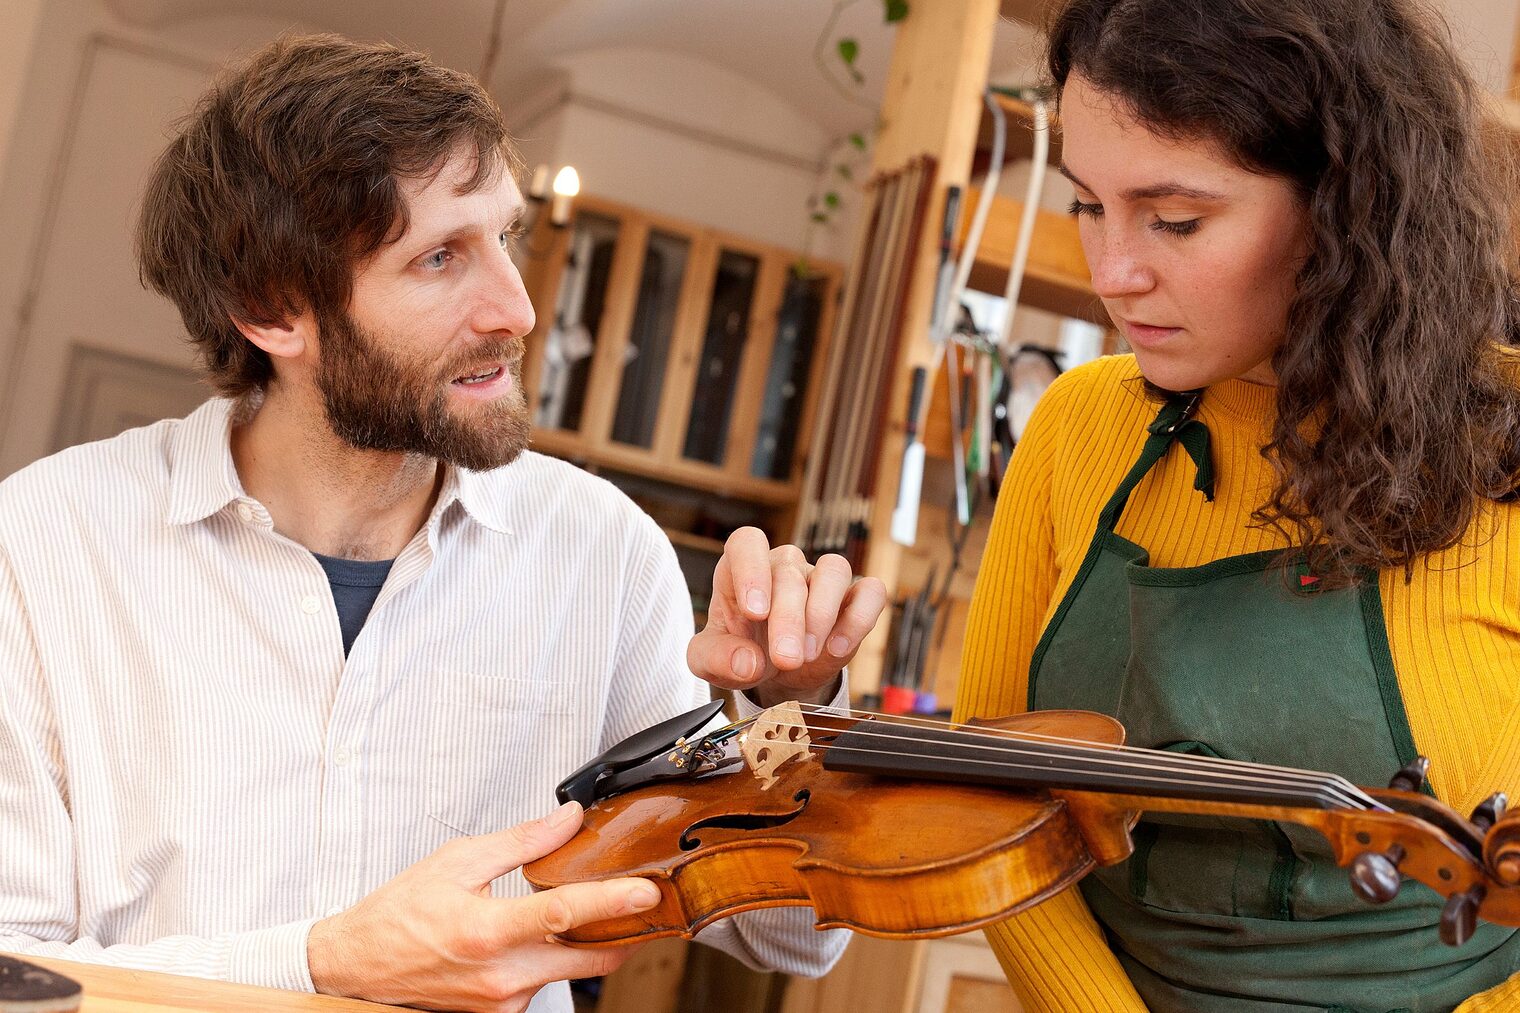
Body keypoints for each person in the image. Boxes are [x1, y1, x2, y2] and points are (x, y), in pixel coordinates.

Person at [0, 34, 885, 1013]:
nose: (517, 308)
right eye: (438, 258)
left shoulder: (601, 551)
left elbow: (786, 932)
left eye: (507, 238)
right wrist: (321, 963)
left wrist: (791, 707)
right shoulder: (43, 545)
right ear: (271, 309)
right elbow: (10, 968)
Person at [954, 0, 1520, 1010]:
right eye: (1087, 204)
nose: (1111, 273)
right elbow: (989, 807)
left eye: (1174, 219)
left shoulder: (1505, 443)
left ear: (1343, 207)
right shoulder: (1075, 428)